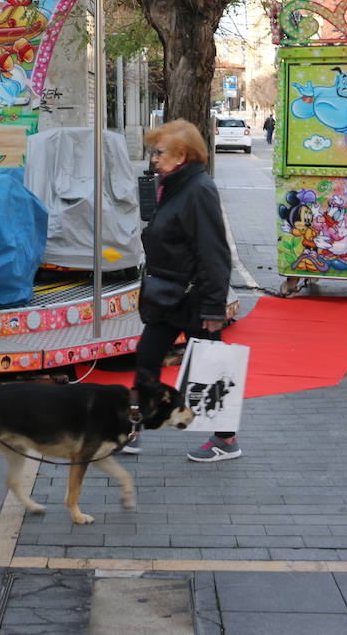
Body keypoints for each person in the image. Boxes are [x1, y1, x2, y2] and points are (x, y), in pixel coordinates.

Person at [129, 119, 237, 462]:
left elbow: (214, 252)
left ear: (182, 154)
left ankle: (226, 439)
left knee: (211, 368)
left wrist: (213, 309)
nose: (154, 159)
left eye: (159, 152)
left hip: (193, 298)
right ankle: (132, 428)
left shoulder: (198, 189)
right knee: (146, 359)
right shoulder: (172, 185)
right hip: (166, 294)